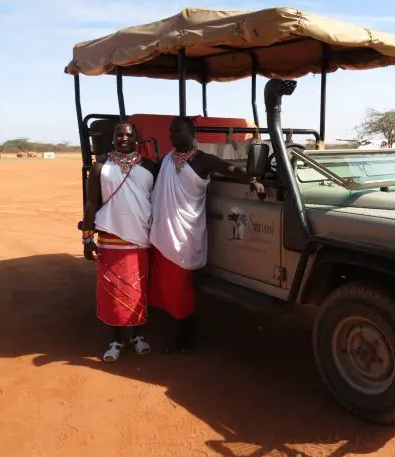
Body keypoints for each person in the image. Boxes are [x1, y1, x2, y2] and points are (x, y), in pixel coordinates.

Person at [148, 116, 264, 354]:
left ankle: (182, 336)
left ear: (191, 134)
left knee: (179, 287)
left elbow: (229, 168)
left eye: (176, 131)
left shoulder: (203, 160)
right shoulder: (167, 160)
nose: (171, 135)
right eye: (170, 131)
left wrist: (251, 179)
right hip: (163, 232)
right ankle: (182, 334)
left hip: (185, 234)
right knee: (168, 287)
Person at [82, 121, 158, 363]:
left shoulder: (149, 167)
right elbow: (91, 204)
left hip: (140, 239)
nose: (123, 138)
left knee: (138, 290)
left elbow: (158, 202)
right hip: (110, 238)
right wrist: (86, 238)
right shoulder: (99, 167)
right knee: (113, 292)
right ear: (112, 138)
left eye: (128, 134)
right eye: (119, 135)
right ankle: (116, 340)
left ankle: (138, 336)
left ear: (136, 138)